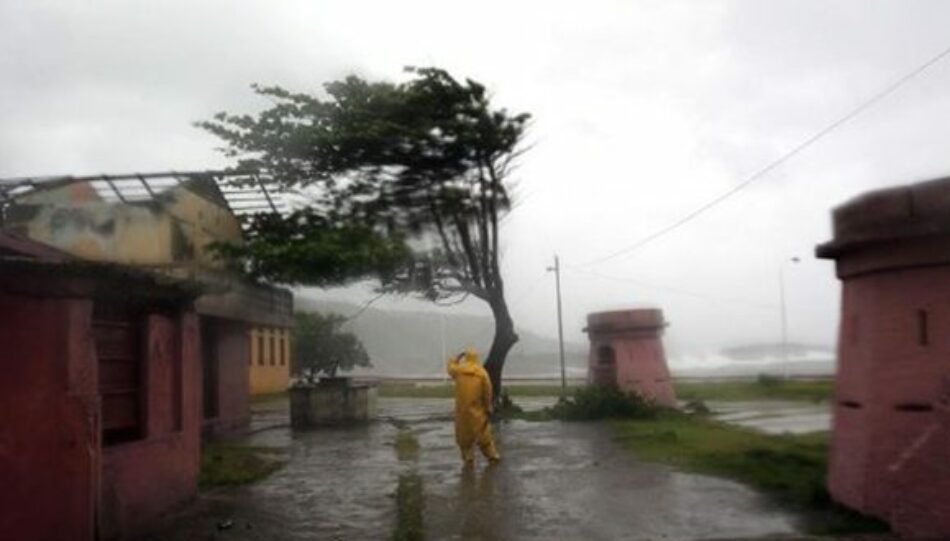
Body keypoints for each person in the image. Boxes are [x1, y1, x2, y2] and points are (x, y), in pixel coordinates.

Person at [447, 347, 501, 466]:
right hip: (477, 410)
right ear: (477, 358)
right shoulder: (482, 373)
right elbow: (488, 392)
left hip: (462, 411)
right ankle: (492, 456)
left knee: (464, 437)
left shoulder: (458, 371)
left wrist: (457, 357)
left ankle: (468, 458)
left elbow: (450, 367)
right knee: (484, 434)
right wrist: (488, 407)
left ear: (466, 358)